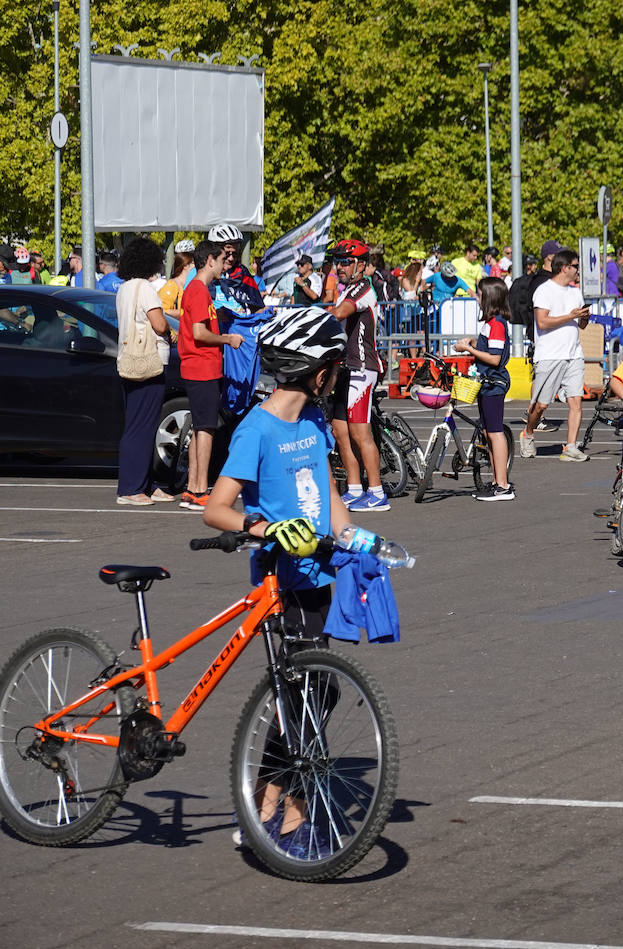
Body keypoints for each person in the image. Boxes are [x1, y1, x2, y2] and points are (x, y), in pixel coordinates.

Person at [202, 306, 353, 852]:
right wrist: (261, 525)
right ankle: (282, 805)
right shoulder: (257, 428)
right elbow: (215, 509)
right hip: (279, 578)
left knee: (313, 691)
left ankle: (269, 798)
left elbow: (327, 493)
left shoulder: (312, 423)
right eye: (335, 367)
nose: (338, 376)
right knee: (305, 692)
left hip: (318, 572)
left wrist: (355, 538)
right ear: (319, 373)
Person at [177, 240, 244, 509]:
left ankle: (194, 487)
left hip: (199, 366)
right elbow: (198, 332)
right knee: (206, 429)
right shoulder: (199, 290)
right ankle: (199, 489)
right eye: (221, 258)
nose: (224, 265)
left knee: (200, 427)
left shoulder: (196, 289)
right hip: (201, 367)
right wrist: (227, 339)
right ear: (210, 261)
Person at [325, 239, 389, 512]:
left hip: (362, 368)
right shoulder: (347, 288)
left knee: (360, 433)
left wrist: (311, 312)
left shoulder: (363, 289)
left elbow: (338, 313)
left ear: (360, 265)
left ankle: (376, 492)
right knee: (340, 431)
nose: (339, 267)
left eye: (345, 262)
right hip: (344, 368)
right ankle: (354, 488)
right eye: (336, 262)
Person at [114, 238, 178, 506]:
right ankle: (130, 488)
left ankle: (145, 484)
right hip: (149, 361)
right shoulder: (147, 289)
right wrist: (171, 332)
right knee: (142, 426)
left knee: (139, 423)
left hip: (130, 360)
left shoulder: (124, 288)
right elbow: (158, 323)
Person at [521, 248, 591, 462]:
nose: (578, 270)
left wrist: (583, 318)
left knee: (576, 402)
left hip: (573, 353)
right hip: (549, 354)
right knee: (541, 405)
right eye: (575, 267)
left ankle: (571, 446)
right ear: (564, 268)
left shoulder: (575, 292)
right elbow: (542, 322)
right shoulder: (544, 291)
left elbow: (581, 325)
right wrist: (569, 315)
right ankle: (528, 433)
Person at [455, 277, 515, 500]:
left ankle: (503, 485)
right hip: (487, 382)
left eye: (479, 294)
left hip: (494, 382)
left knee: (495, 432)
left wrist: (469, 349)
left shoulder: (496, 325)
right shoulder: (492, 324)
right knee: (488, 432)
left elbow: (494, 358)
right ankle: (496, 481)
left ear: (489, 298)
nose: (477, 298)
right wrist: (473, 342)